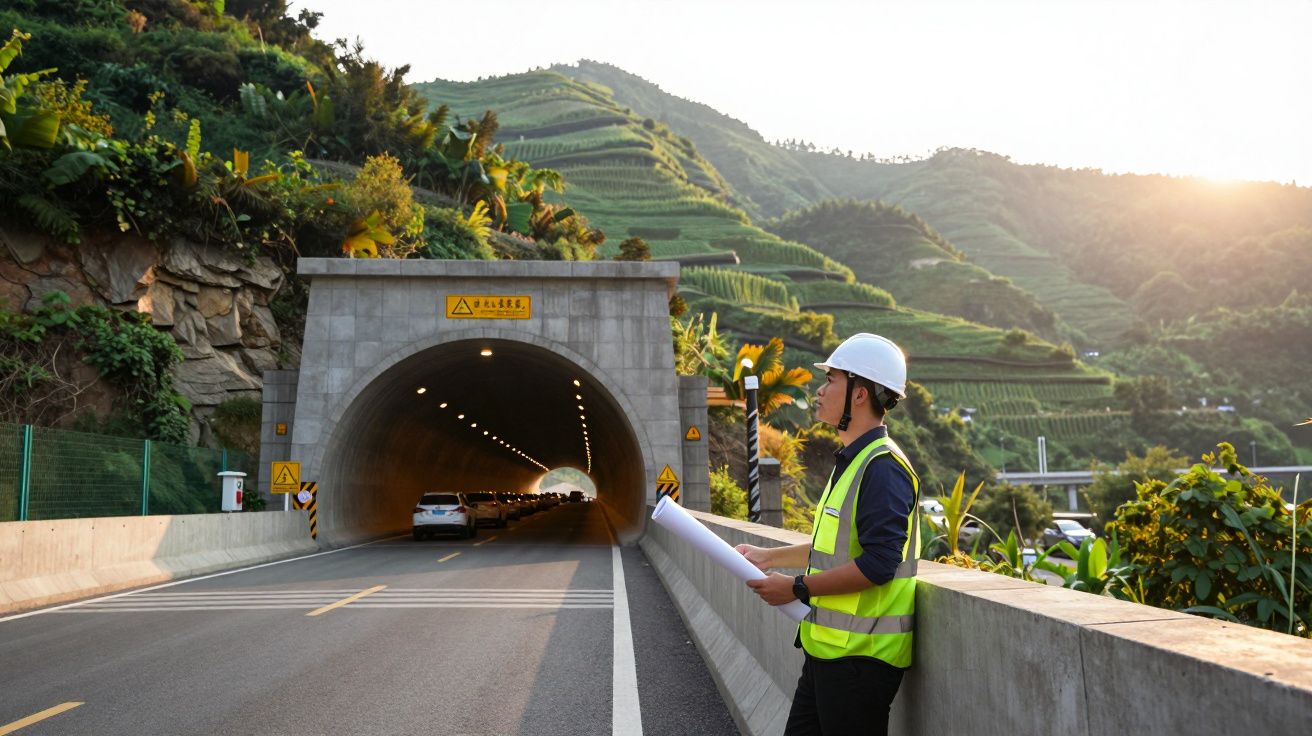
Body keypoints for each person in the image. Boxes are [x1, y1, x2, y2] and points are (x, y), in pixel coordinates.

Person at [737, 333, 920, 736]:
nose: (819, 391)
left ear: (859, 393)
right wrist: (770, 557)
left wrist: (798, 588)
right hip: (828, 653)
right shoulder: (854, 460)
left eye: (831, 380)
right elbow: (833, 549)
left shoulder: (882, 468)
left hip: (861, 661)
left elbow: (879, 564)